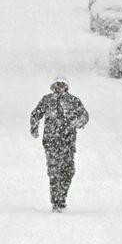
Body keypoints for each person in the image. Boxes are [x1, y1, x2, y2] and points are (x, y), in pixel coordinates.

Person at [30, 76, 89, 212]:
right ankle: (56, 202)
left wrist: (78, 122)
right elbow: (35, 114)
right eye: (58, 84)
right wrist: (34, 128)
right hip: (51, 142)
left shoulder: (74, 101)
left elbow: (85, 115)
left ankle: (62, 196)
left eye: (62, 84)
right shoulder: (47, 100)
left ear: (66, 86)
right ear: (53, 86)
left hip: (68, 143)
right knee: (54, 172)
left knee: (68, 171)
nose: (60, 87)